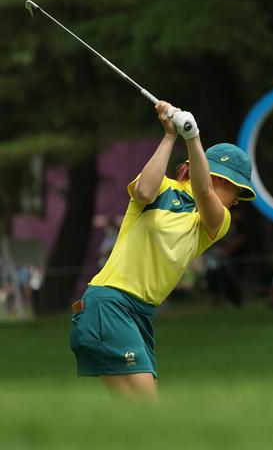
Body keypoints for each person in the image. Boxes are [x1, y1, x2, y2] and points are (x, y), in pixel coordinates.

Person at [69, 101, 256, 399]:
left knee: (137, 426)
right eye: (237, 192)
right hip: (110, 302)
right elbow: (144, 191)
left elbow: (204, 191)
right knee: (147, 417)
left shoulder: (216, 220)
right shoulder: (163, 189)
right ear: (222, 178)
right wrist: (172, 135)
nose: (237, 201)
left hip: (139, 314)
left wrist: (192, 137)